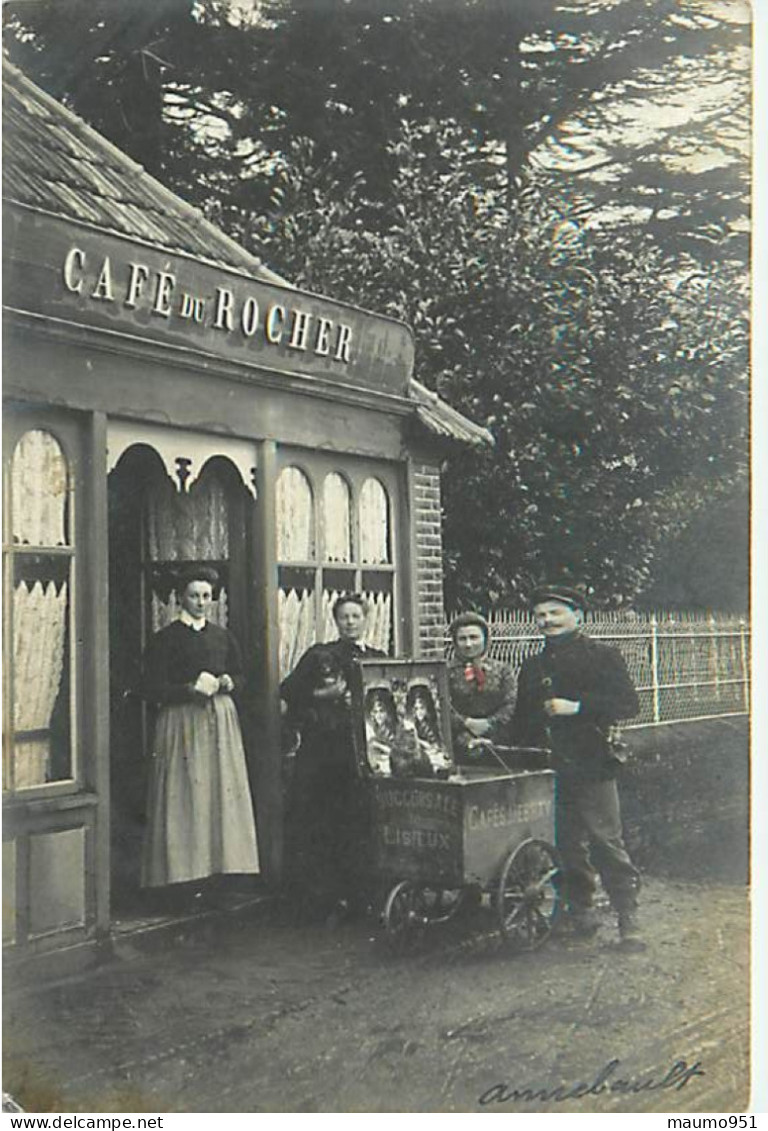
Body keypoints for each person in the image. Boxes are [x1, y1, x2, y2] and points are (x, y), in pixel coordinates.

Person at [512, 583, 643, 948]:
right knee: (564, 843)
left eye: (555, 613)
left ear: (578, 616)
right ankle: (580, 912)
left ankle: (628, 918)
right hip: (549, 768)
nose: (547, 620)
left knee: (606, 841)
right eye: (540, 615)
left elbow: (628, 704)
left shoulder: (602, 655)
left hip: (591, 764)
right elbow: (522, 721)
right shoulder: (533, 666)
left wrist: (578, 707)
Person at [140, 566, 260, 893]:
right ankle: (184, 874)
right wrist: (187, 689)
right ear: (180, 598)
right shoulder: (165, 639)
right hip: (182, 720)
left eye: (206, 596)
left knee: (220, 792)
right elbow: (151, 688)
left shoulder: (222, 636)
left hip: (220, 720)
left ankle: (220, 870)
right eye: (194, 595)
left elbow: (242, 674)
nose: (201, 602)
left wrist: (230, 681)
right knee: (186, 794)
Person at [280, 594, 386, 921]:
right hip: (325, 754)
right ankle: (325, 900)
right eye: (344, 617)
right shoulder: (319, 656)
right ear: (336, 621)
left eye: (356, 616)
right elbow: (288, 691)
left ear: (365, 619)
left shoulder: (378, 657)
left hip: (363, 752)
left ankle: (361, 897)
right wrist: (324, 695)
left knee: (359, 824)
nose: (350, 622)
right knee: (325, 824)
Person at [447, 612, 517, 761]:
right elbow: (442, 706)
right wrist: (466, 723)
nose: (468, 644)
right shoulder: (446, 673)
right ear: (454, 642)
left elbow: (511, 703)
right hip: (457, 743)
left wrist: (489, 724)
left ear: (485, 639)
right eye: (462, 639)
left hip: (499, 741)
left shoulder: (502, 670)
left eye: (474, 637)